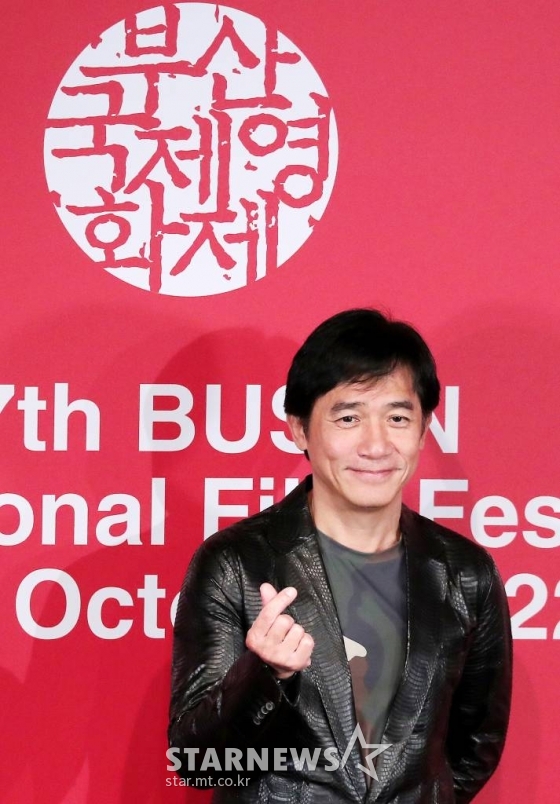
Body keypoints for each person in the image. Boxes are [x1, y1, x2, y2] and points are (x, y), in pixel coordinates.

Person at [168, 309, 512, 803]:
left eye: (397, 418)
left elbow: (474, 747)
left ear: (424, 430)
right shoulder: (236, 563)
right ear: (300, 429)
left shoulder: (465, 573)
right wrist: (265, 675)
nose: (376, 445)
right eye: (348, 418)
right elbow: (196, 765)